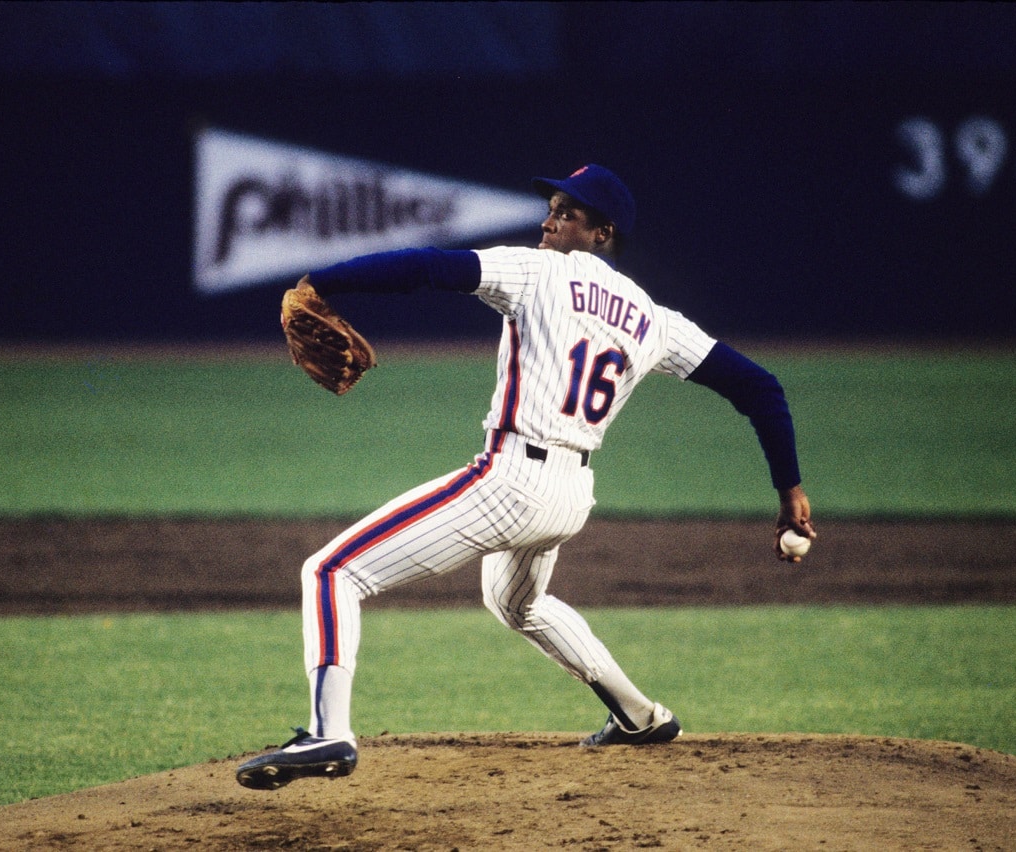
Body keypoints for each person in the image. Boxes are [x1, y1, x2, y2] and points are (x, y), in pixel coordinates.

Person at [236, 164, 816, 790]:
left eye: (567, 212)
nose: (548, 220)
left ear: (602, 231)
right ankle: (641, 715)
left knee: (330, 572)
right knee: (516, 602)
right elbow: (761, 387)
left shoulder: (537, 271)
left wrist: (322, 279)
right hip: (570, 495)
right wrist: (790, 494)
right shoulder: (653, 319)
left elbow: (429, 267)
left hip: (512, 480)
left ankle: (330, 732)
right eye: (552, 207)